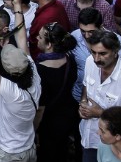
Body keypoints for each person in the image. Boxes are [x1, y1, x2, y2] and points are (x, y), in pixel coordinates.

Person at [0, 0, 41, 162]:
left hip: (10, 153)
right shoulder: (34, 75)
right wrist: (17, 6)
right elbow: (22, 38)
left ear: (7, 72)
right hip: (29, 148)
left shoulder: (12, 93)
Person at [79, 32, 121, 162]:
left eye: (103, 54)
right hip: (88, 139)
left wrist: (100, 113)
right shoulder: (90, 62)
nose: (96, 58)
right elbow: (86, 84)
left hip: (114, 148)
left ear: (116, 52)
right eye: (93, 52)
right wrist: (83, 102)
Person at [33, 23, 78, 162]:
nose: (36, 38)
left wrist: (33, 130)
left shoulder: (40, 70)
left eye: (40, 37)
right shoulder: (70, 60)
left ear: (49, 45)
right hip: (67, 118)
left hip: (48, 123)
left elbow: (41, 108)